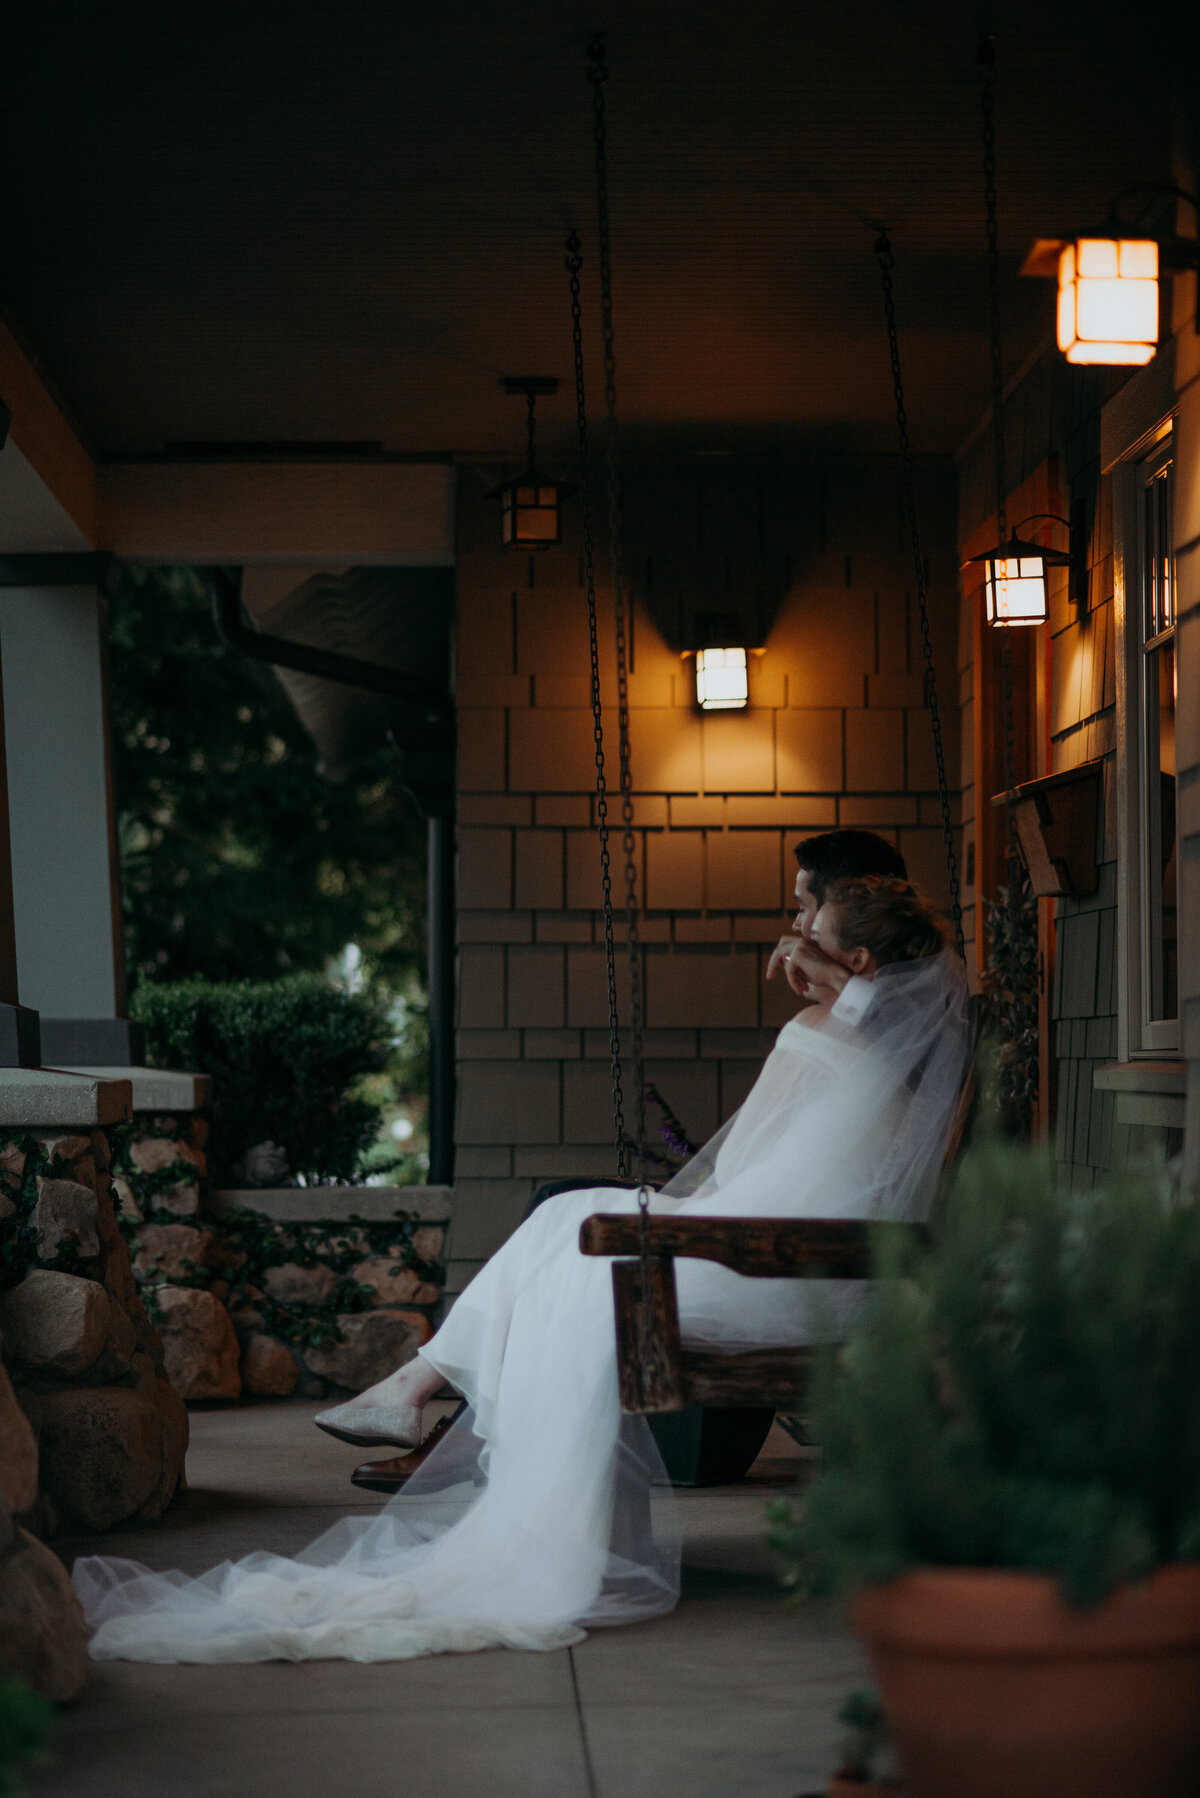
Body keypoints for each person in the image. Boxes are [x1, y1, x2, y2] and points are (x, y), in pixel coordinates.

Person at [74, 876, 968, 1667]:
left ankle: (427, 1392)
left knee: (568, 1225)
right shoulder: (902, 1055)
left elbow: (743, 1173)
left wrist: (818, 1006)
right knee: (567, 1220)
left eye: (807, 926)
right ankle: (417, 1386)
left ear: (851, 961)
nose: (790, 938)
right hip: (796, 1266)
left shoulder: (822, 1033)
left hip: (766, 1275)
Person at [350, 829, 912, 1494]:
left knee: (569, 1219)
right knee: (564, 1207)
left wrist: (837, 986)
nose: (793, 927)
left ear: (851, 919)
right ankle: (434, 1404)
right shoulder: (862, 1025)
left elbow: (770, 1152)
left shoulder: (875, 1034)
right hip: (768, 1248)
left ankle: (447, 1417)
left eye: (804, 909)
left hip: (778, 1269)